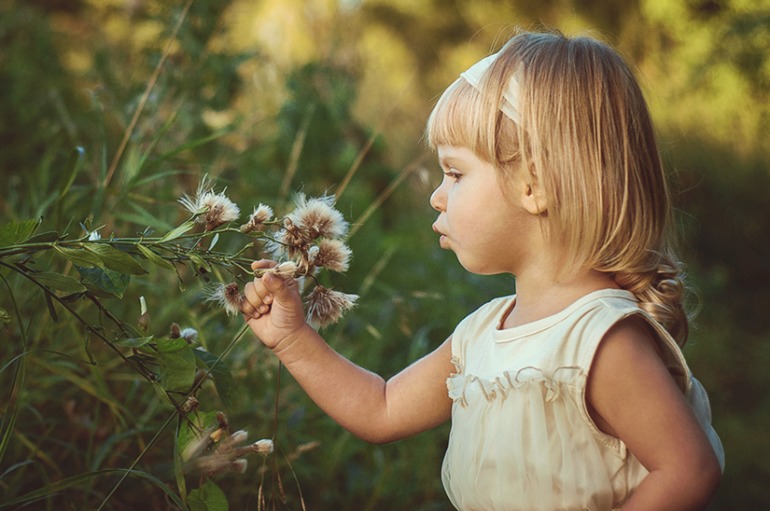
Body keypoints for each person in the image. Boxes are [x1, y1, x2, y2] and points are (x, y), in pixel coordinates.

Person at [240, 29, 724, 511]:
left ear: (535, 184)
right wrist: (293, 338)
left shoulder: (599, 341)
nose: (437, 196)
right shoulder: (480, 334)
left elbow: (687, 470)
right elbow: (381, 408)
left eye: (455, 173)